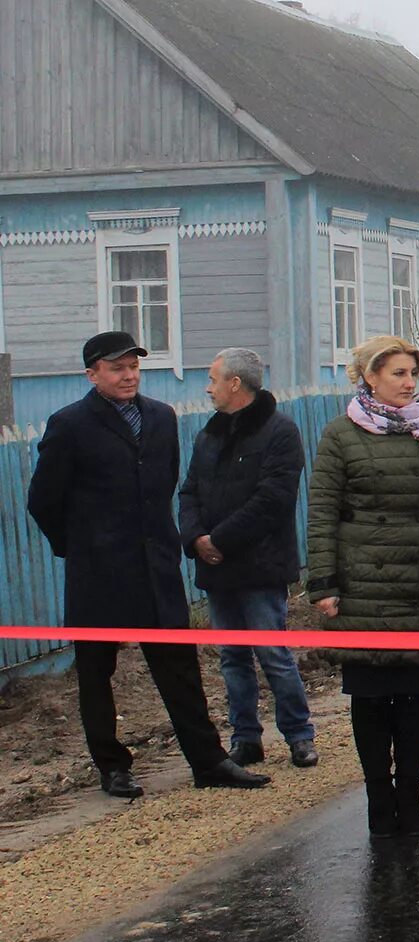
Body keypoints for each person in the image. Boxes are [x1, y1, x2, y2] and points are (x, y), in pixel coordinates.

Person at [26, 332, 269, 797]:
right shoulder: (70, 424)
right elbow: (43, 500)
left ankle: (209, 761)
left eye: (134, 365)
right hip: (98, 572)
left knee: (178, 667)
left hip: (155, 568)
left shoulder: (160, 417)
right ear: (92, 374)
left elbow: (164, 485)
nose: (128, 374)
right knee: (97, 673)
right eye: (116, 367)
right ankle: (113, 767)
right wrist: (76, 547)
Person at [307, 335, 419, 839]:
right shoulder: (342, 434)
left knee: (412, 693)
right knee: (368, 696)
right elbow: (323, 513)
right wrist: (324, 582)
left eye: (413, 374)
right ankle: (378, 798)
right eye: (399, 374)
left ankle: (411, 795)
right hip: (363, 582)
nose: (409, 383)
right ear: (370, 377)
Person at [179, 347, 317, 770]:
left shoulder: (279, 431)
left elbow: (273, 500)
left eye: (213, 378)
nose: (207, 388)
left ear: (235, 383)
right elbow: (189, 493)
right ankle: (246, 739)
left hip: (260, 563)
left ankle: (299, 735)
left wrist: (218, 539)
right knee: (232, 656)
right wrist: (196, 538)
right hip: (217, 567)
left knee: (272, 651)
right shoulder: (210, 434)